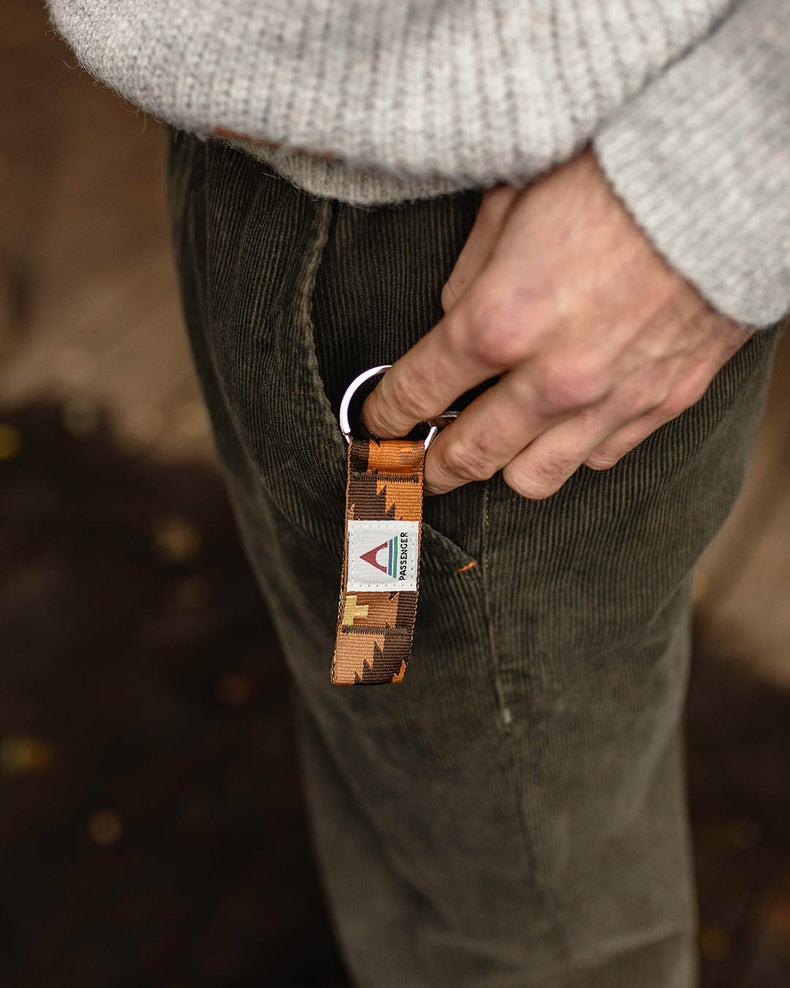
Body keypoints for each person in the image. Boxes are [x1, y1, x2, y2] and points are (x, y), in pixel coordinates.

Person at [47, 2, 790, 984]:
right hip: (279, 128)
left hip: (514, 257)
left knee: (525, 921)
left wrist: (723, 181)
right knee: (404, 789)